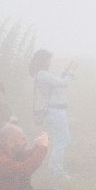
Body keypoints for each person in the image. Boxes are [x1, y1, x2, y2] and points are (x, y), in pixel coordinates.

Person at [30, 49, 77, 178]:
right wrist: (71, 73)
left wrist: (65, 72)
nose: (50, 62)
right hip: (55, 110)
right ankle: (58, 171)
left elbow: (56, 82)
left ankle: (53, 167)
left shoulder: (39, 74)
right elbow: (63, 83)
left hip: (52, 110)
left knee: (59, 140)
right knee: (63, 140)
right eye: (49, 59)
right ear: (44, 60)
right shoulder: (43, 74)